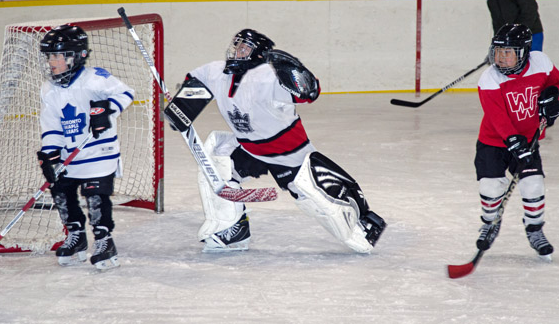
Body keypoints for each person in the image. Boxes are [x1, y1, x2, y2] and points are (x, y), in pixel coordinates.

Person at [170, 29, 386, 254]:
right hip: (250, 149)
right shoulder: (217, 71)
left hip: (289, 155)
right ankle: (233, 231)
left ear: (258, 54)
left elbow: (309, 93)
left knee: (320, 207)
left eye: (244, 47)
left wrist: (295, 73)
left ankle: (361, 226)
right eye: (236, 45)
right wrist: (182, 108)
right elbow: (196, 81)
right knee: (215, 167)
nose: (237, 50)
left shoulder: (267, 77)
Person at [38, 25, 134, 270]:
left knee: (95, 198)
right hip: (71, 154)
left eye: (59, 56)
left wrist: (107, 110)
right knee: (61, 191)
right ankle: (76, 236)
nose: (53, 62)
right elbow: (51, 125)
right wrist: (50, 154)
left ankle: (104, 241)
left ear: (77, 56)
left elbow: (125, 92)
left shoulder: (94, 78)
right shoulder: (49, 89)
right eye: (50, 56)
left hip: (99, 152)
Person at [474, 23, 559, 260]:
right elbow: (497, 118)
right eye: (498, 52)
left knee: (534, 186)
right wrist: (513, 140)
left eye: (508, 52)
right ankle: (490, 223)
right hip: (493, 143)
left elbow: (556, 84)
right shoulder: (489, 78)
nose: (501, 58)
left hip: (528, 139)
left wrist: (554, 98)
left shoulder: (541, 62)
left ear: (523, 52)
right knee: (490, 189)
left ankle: (535, 230)